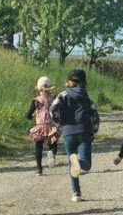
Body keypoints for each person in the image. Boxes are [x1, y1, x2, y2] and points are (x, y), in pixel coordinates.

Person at [49, 69, 99, 201]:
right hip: (84, 132)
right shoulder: (87, 98)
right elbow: (95, 116)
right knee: (86, 164)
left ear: (68, 82)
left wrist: (59, 123)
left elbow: (52, 109)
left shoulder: (63, 95)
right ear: (85, 83)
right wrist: (93, 132)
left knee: (72, 163)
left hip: (68, 133)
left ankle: (76, 193)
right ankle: (79, 162)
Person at [26, 76, 61, 176]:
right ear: (50, 88)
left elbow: (28, 115)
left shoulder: (36, 101)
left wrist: (32, 117)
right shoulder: (54, 99)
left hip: (40, 127)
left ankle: (39, 169)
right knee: (53, 144)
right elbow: (58, 111)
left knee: (38, 148)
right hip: (51, 126)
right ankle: (52, 154)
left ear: (38, 88)